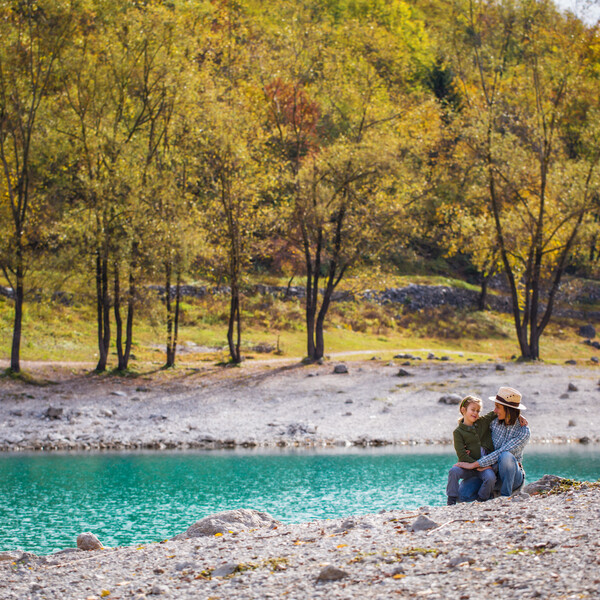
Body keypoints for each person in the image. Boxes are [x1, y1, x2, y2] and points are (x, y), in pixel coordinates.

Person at [455, 386, 530, 501]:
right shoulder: (493, 423)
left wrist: (475, 464)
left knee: (505, 456)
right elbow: (472, 428)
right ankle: (490, 495)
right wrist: (466, 446)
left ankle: (505, 497)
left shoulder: (523, 431)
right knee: (462, 494)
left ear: (508, 409)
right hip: (489, 471)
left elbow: (501, 452)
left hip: (512, 477)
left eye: (497, 407)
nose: (494, 410)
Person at [446, 395, 497, 505]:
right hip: (468, 467)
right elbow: (462, 455)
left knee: (490, 478)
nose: (476, 413)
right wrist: (477, 465)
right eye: (473, 410)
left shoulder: (482, 422)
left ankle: (481, 500)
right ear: (463, 410)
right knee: (453, 471)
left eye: (478, 411)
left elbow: (496, 412)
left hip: (485, 467)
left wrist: (519, 416)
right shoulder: (458, 432)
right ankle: (451, 500)